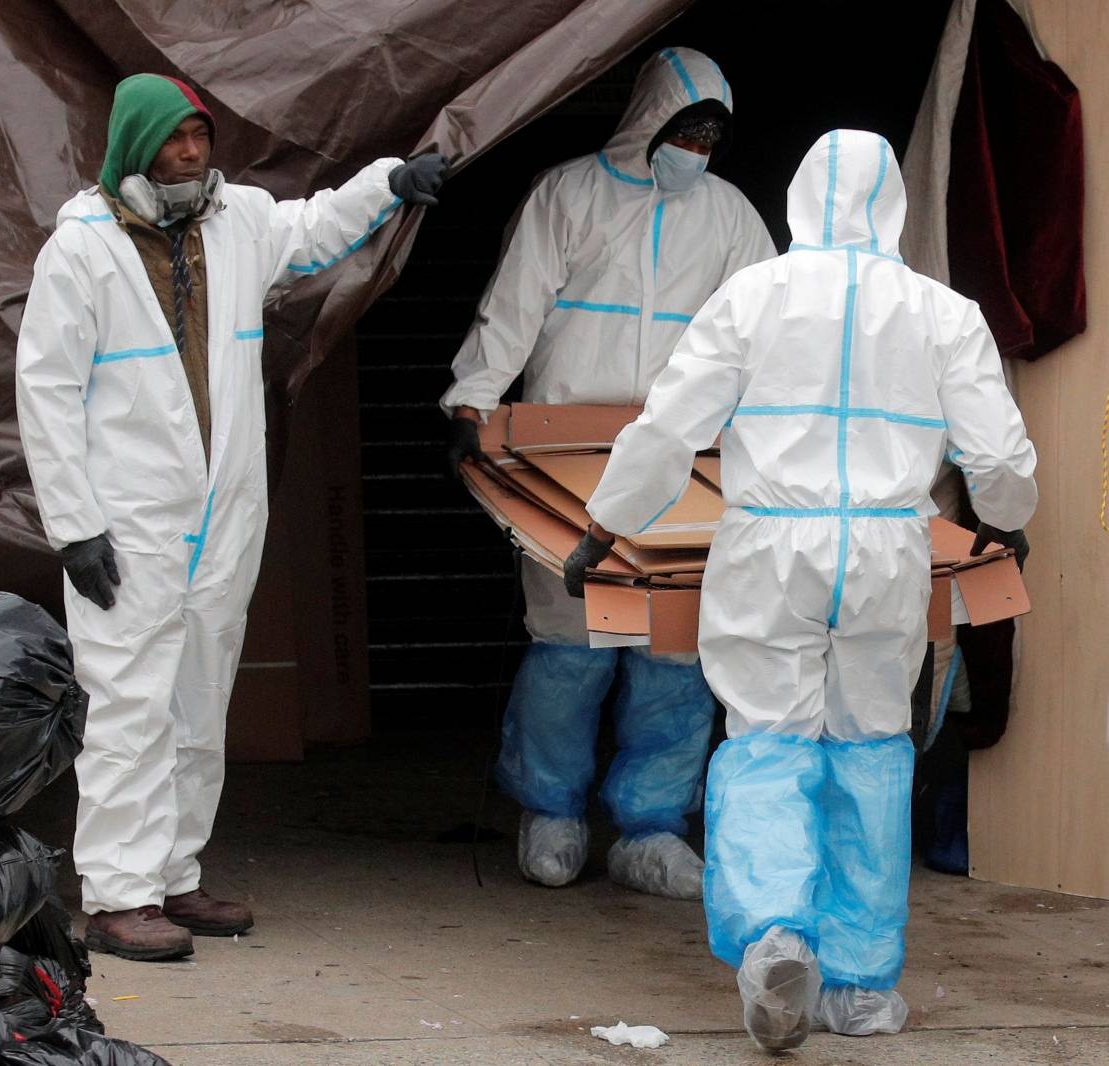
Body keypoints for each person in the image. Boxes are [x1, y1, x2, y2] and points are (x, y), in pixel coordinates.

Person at [574, 129, 1037, 1049]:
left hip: (770, 547)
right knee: (869, 748)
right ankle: (861, 988)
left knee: (766, 742)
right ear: (894, 202)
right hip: (884, 548)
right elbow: (998, 455)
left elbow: (670, 428)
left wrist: (606, 522)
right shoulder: (944, 311)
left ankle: (774, 932)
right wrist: (1006, 513)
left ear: (797, 197)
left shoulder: (753, 295)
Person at [15, 73, 448, 962]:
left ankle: (174, 874)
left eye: (199, 137)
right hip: (127, 523)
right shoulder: (83, 249)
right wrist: (75, 526)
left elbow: (315, 225)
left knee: (200, 697)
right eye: (173, 139)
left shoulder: (237, 221)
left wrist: (389, 183)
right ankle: (115, 894)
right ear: (136, 145)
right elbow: (46, 390)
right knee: (128, 704)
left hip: (221, 511)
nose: (189, 153)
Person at [440, 47, 774, 896]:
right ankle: (550, 810)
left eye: (712, 134)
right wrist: (476, 395)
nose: (696, 145)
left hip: (686, 457)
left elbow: (768, 330)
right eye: (685, 126)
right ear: (649, 121)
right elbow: (515, 301)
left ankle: (651, 827)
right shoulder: (569, 194)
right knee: (567, 637)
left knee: (675, 648)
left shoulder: (730, 216)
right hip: (564, 449)